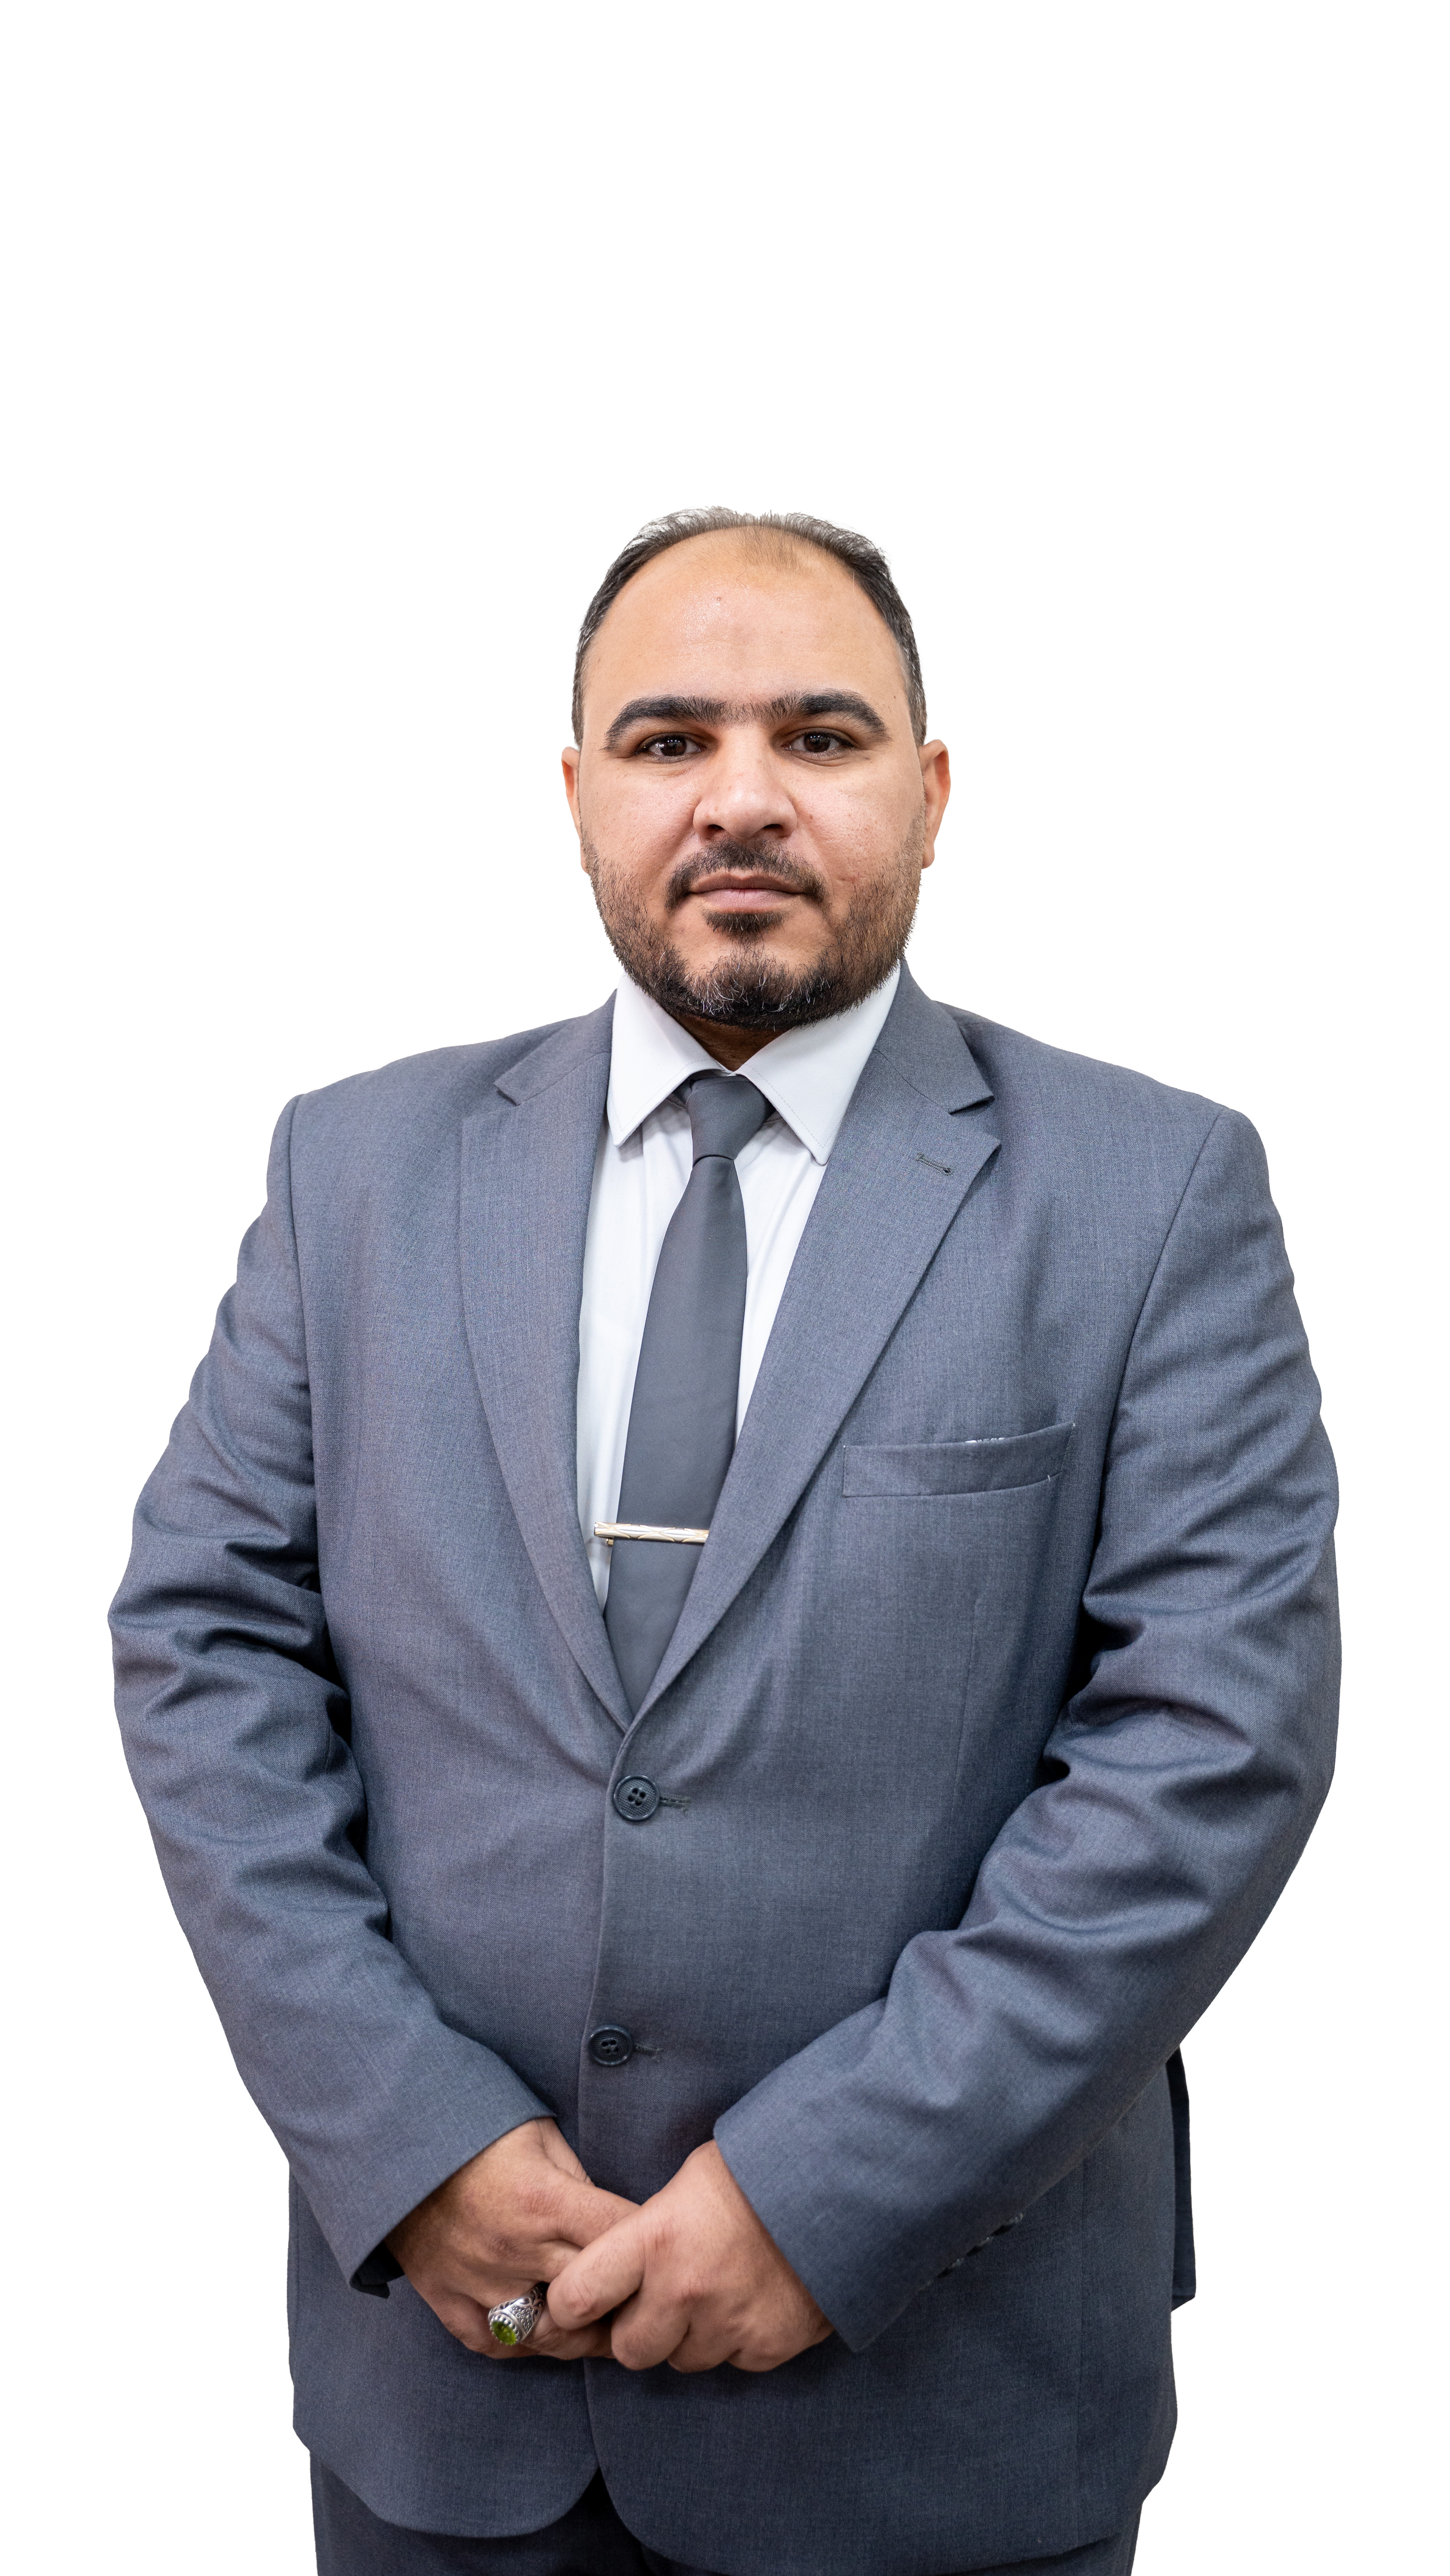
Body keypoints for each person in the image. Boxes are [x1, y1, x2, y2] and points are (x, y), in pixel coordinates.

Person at [111, 507, 1339, 2576]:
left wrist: (824, 2195)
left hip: (935, 2396)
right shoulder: (355, 1172)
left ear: (930, 794)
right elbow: (206, 1648)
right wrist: (406, 2138)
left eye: (820, 737)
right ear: (575, 790)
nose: (741, 798)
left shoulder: (1151, 1195)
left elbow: (1207, 1747)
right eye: (668, 739)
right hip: (448, 2389)